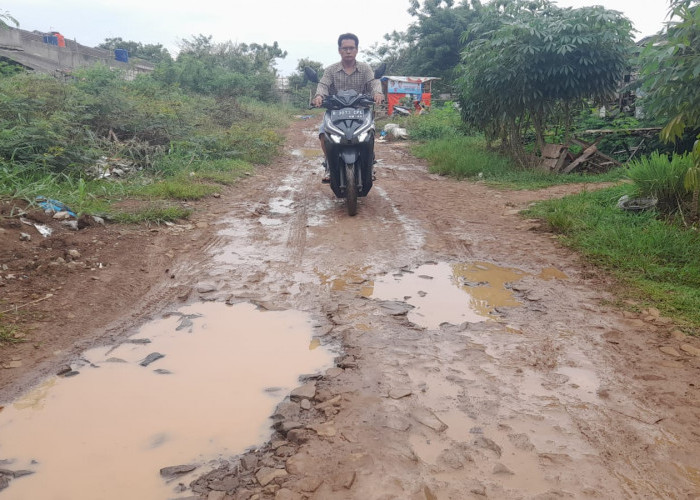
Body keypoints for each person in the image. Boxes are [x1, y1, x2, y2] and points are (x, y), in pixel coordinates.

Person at [312, 33, 384, 183]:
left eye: (351, 48)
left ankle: (369, 165)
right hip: (335, 112)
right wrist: (319, 96)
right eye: (345, 48)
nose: (348, 51)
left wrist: (377, 93)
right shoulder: (331, 70)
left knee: (369, 133)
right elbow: (323, 84)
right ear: (339, 50)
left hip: (360, 111)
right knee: (323, 134)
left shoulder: (365, 69)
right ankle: (330, 166)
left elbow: (374, 82)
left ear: (357, 50)